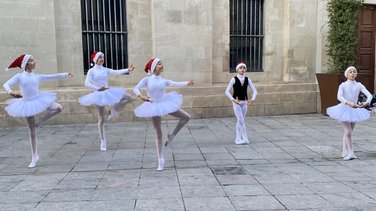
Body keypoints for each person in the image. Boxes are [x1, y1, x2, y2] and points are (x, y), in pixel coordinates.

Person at [3, 54, 73, 168]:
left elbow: (52, 76)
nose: (34, 62)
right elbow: (5, 84)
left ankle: (42, 119)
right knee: (32, 132)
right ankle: (34, 156)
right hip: (27, 103)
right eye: (31, 61)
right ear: (25, 64)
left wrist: (66, 74)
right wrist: (11, 92)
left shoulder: (37, 76)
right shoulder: (19, 76)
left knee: (59, 108)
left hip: (39, 99)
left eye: (33, 60)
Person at [133, 58, 194, 170]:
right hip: (153, 105)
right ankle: (160, 159)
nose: (162, 65)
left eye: (162, 63)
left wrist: (187, 83)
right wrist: (141, 97)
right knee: (158, 133)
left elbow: (175, 83)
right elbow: (135, 88)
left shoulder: (163, 80)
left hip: (165, 102)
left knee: (186, 117)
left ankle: (172, 136)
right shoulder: (147, 79)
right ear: (154, 67)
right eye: (159, 64)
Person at [79, 51, 135, 151]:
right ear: (95, 59)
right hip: (98, 94)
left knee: (128, 97)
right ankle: (103, 141)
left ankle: (113, 111)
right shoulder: (91, 71)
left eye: (103, 57)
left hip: (108, 91)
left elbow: (116, 72)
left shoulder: (105, 69)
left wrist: (128, 69)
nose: (102, 58)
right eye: (100, 57)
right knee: (101, 119)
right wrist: (97, 88)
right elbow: (86, 83)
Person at [327, 66, 372, 161]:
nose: (352, 73)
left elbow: (369, 95)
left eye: (354, 72)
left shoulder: (359, 85)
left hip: (355, 110)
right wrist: (348, 103)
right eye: (350, 72)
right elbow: (339, 96)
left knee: (349, 132)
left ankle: (344, 151)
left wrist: (366, 102)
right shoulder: (343, 85)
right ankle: (351, 153)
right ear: (346, 74)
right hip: (343, 109)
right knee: (348, 132)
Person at [225, 62, 257, 145]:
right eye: (240, 68)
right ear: (237, 69)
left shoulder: (247, 79)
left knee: (240, 121)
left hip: (245, 103)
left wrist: (253, 99)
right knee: (241, 120)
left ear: (245, 69)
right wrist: (233, 100)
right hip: (237, 103)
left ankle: (238, 138)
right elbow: (226, 91)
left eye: (243, 68)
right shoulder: (234, 79)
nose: (242, 69)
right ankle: (245, 138)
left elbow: (255, 91)